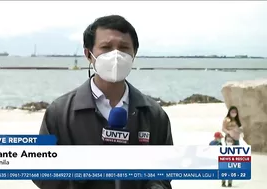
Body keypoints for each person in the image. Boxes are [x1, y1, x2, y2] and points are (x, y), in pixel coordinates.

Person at [33, 15, 173, 189]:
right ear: (88, 54)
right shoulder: (60, 112)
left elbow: (164, 173)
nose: (115, 55)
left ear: (134, 54)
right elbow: (42, 172)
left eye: (123, 48)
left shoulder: (154, 114)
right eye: (106, 48)